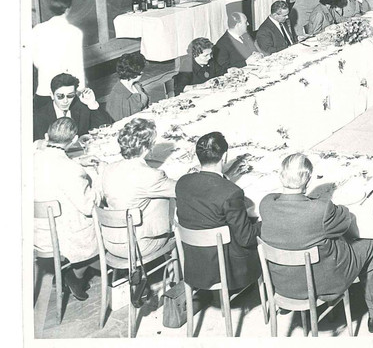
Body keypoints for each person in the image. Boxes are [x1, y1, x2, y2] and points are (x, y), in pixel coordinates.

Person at [259, 154, 373, 333]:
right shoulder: (322, 209)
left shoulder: (266, 204)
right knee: (372, 246)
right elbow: (345, 221)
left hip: (283, 284)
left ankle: (288, 305)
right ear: (308, 180)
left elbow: (276, 196)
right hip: (321, 284)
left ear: (281, 176)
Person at [175, 132, 261, 293]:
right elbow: (246, 238)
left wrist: (226, 177)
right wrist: (267, 221)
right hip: (227, 271)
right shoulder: (231, 192)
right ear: (225, 156)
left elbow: (207, 193)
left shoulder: (182, 182)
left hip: (193, 266)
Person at [34, 117, 98, 301]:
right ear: (74, 139)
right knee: (95, 220)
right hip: (59, 237)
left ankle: (61, 272)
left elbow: (53, 168)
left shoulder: (33, 157)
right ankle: (76, 277)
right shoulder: (69, 169)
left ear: (47, 136)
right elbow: (87, 206)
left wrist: (79, 162)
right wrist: (98, 185)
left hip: (35, 230)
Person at [99, 118, 176, 258]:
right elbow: (181, 189)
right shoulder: (151, 176)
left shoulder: (108, 169)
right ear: (147, 148)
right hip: (138, 245)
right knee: (175, 211)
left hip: (110, 241)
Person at [32, 0, 86, 99]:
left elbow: (36, 60)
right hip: (64, 89)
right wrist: (81, 88)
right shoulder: (74, 32)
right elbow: (76, 63)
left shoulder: (38, 28)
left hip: (44, 86)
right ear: (68, 9)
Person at [33, 73, 111, 143]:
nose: (65, 101)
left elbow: (105, 128)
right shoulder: (39, 116)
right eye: (60, 96)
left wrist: (92, 104)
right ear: (52, 95)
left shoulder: (82, 107)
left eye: (70, 96)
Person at [104, 52, 150, 123]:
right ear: (135, 74)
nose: (143, 72)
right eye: (141, 70)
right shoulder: (119, 96)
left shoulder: (136, 85)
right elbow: (120, 124)